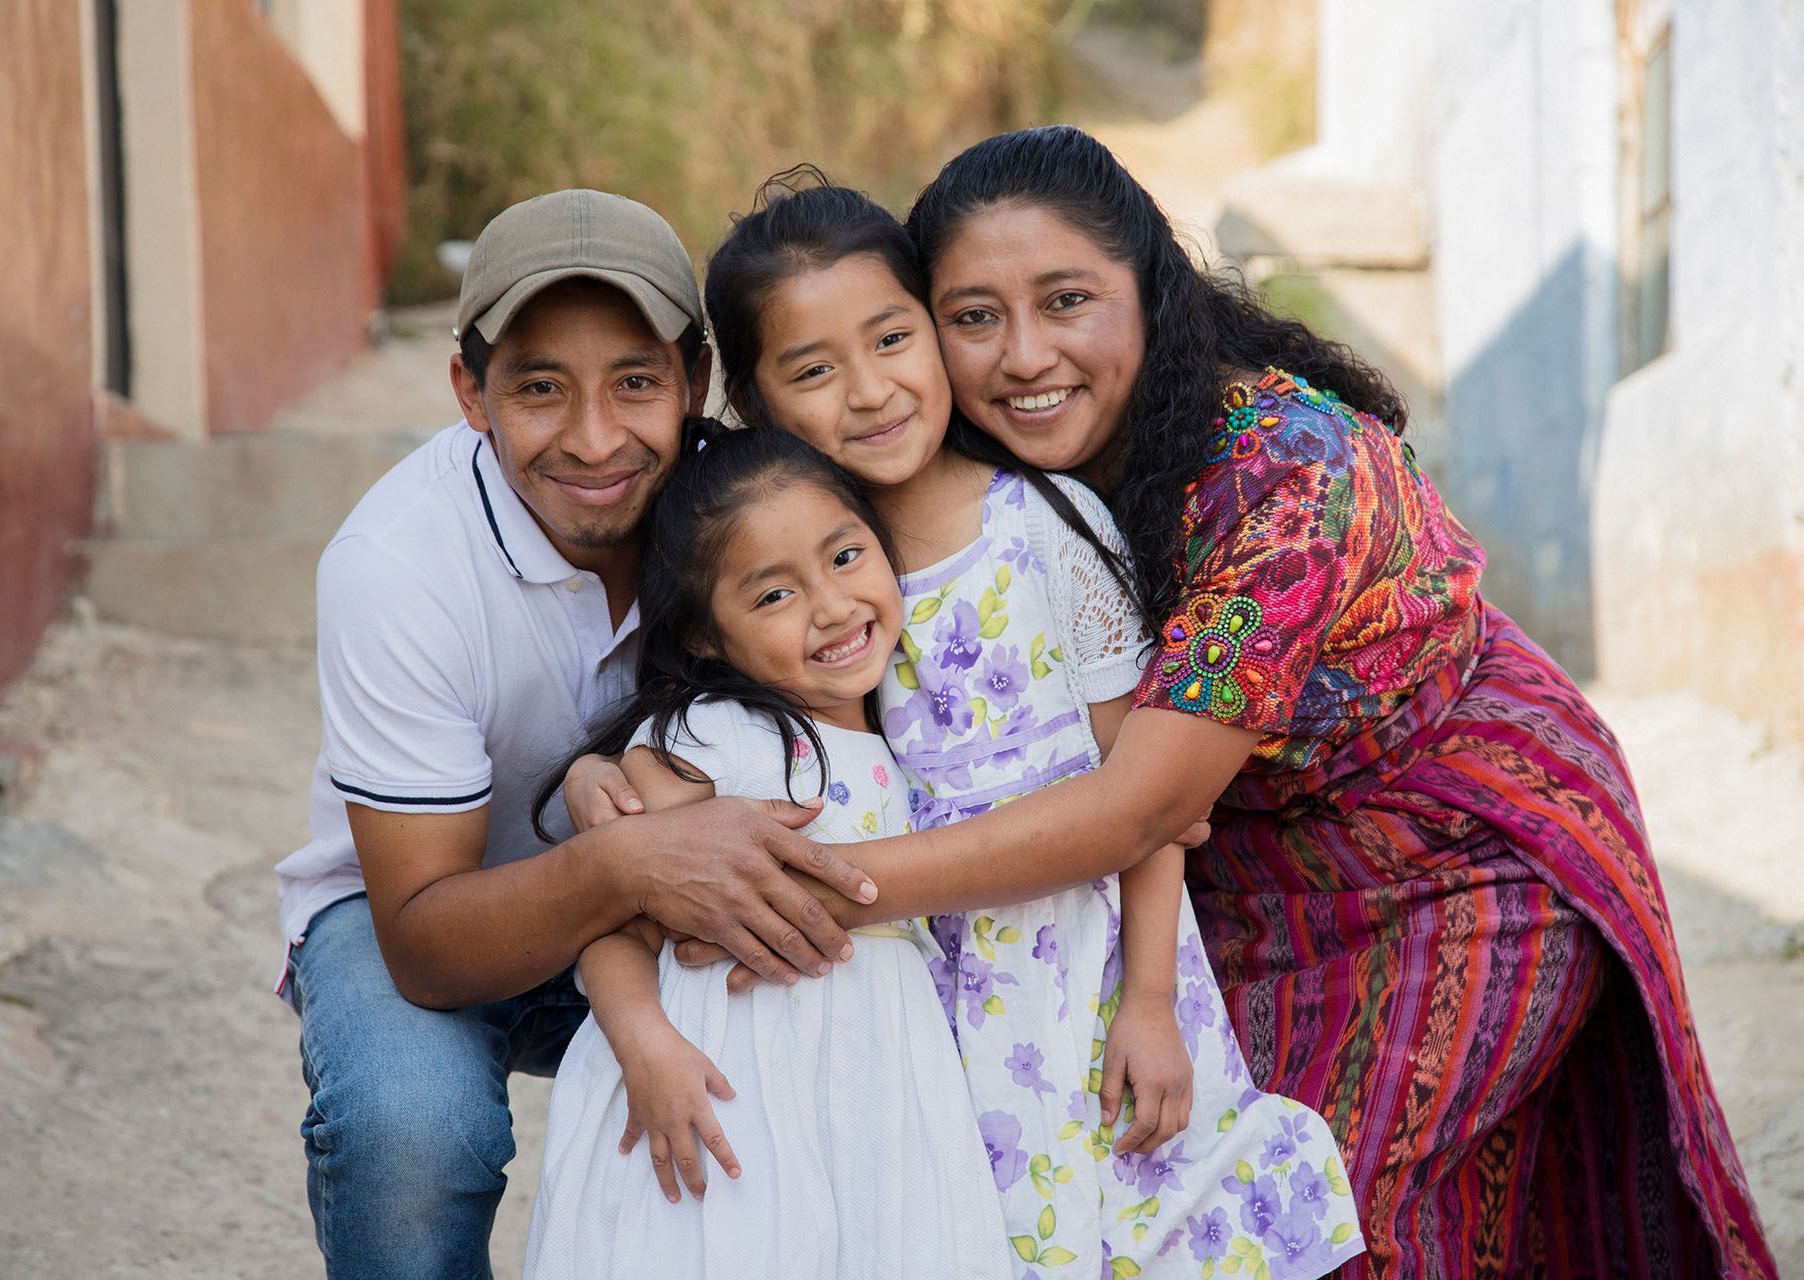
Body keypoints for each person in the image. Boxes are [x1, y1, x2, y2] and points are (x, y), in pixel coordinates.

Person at [885, 125, 1777, 1277]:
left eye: (1067, 300)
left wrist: (826, 886)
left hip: (1462, 859)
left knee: (1306, 1216)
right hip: (1252, 894)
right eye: (972, 316)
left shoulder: (1290, 474)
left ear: (1154, 292)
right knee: (1187, 1201)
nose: (1021, 355)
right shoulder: (988, 481)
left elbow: (1134, 808)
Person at [691, 174, 1364, 1276]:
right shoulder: (807, 585)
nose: (869, 392)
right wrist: (606, 783)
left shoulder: (1049, 527)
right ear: (758, 406)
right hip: (925, 997)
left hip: (1085, 972)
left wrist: (1150, 1000)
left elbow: (1141, 799)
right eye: (813, 371)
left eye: (893, 338)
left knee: (1134, 1221)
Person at [273, 189, 882, 1280]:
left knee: (843, 1039)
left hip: (661, 896)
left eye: (636, 382)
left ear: (696, 378)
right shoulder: (398, 565)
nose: (596, 439)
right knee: (412, 1130)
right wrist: (631, 856)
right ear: (470, 390)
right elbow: (423, 940)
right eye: (540, 388)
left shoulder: (734, 508)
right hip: (426, 912)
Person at [521, 425, 1015, 1278]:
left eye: (847, 556)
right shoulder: (722, 739)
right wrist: (645, 1045)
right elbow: (614, 924)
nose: (830, 606)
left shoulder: (918, 717)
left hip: (881, 1086)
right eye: (773, 597)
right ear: (708, 637)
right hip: (727, 1085)